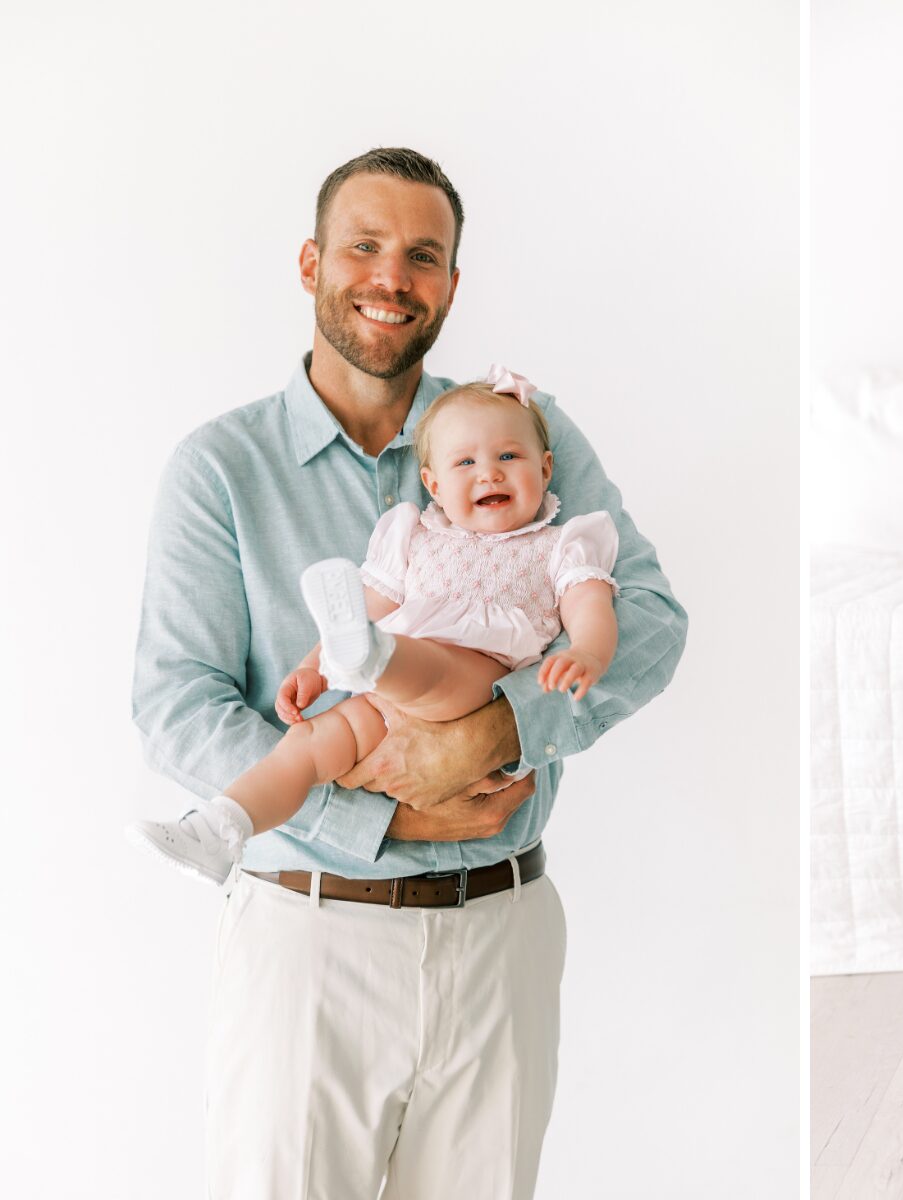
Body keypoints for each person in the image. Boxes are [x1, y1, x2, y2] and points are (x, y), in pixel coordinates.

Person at [131, 147, 687, 1197]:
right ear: (310, 263)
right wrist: (381, 817)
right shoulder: (221, 467)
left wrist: (503, 729)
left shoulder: (519, 430)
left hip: (499, 933)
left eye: (422, 255)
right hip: (308, 936)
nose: (392, 277)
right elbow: (175, 706)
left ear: (451, 286)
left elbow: (646, 618)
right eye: (364, 247)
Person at [129, 368, 620, 885]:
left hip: (478, 680)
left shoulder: (560, 544)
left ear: (546, 469)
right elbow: (365, 605)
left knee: (429, 665)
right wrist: (313, 668)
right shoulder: (416, 534)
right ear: (433, 483)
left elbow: (591, 606)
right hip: (382, 699)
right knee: (308, 746)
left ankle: (370, 657)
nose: (489, 474)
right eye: (466, 463)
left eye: (508, 457)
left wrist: (588, 652)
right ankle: (223, 827)